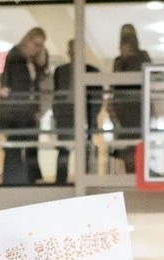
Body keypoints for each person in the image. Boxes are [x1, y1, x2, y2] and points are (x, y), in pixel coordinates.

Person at [0, 27, 49, 186]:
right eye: (36, 44)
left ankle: (32, 179)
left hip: (30, 112)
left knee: (32, 145)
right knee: (15, 147)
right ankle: (12, 182)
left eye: (41, 45)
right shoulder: (15, 55)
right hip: (16, 111)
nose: (37, 48)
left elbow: (40, 81)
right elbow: (10, 83)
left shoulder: (34, 61)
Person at [53, 39, 101, 186]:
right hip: (65, 116)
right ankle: (60, 183)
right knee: (64, 151)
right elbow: (55, 96)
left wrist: (92, 118)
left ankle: (87, 181)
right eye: (72, 50)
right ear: (69, 52)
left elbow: (97, 99)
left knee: (86, 150)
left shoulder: (93, 72)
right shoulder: (60, 71)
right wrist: (57, 115)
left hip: (85, 116)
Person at [111, 24, 151, 172]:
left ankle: (139, 173)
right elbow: (115, 83)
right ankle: (131, 174)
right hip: (123, 111)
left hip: (139, 109)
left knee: (138, 145)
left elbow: (152, 75)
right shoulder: (118, 60)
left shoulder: (142, 56)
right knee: (126, 147)